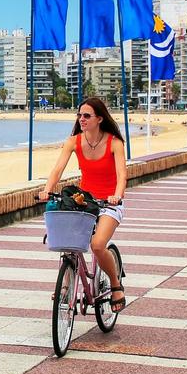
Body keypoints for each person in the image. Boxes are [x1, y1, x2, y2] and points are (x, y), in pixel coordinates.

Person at [37, 97, 128, 312]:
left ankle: (116, 285)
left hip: (109, 203)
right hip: (85, 201)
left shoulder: (115, 143)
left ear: (100, 119)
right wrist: (47, 190)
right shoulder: (74, 141)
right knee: (68, 243)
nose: (81, 119)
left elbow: (122, 175)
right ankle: (66, 285)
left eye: (87, 115)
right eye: (79, 115)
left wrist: (116, 196)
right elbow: (57, 170)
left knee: (97, 245)